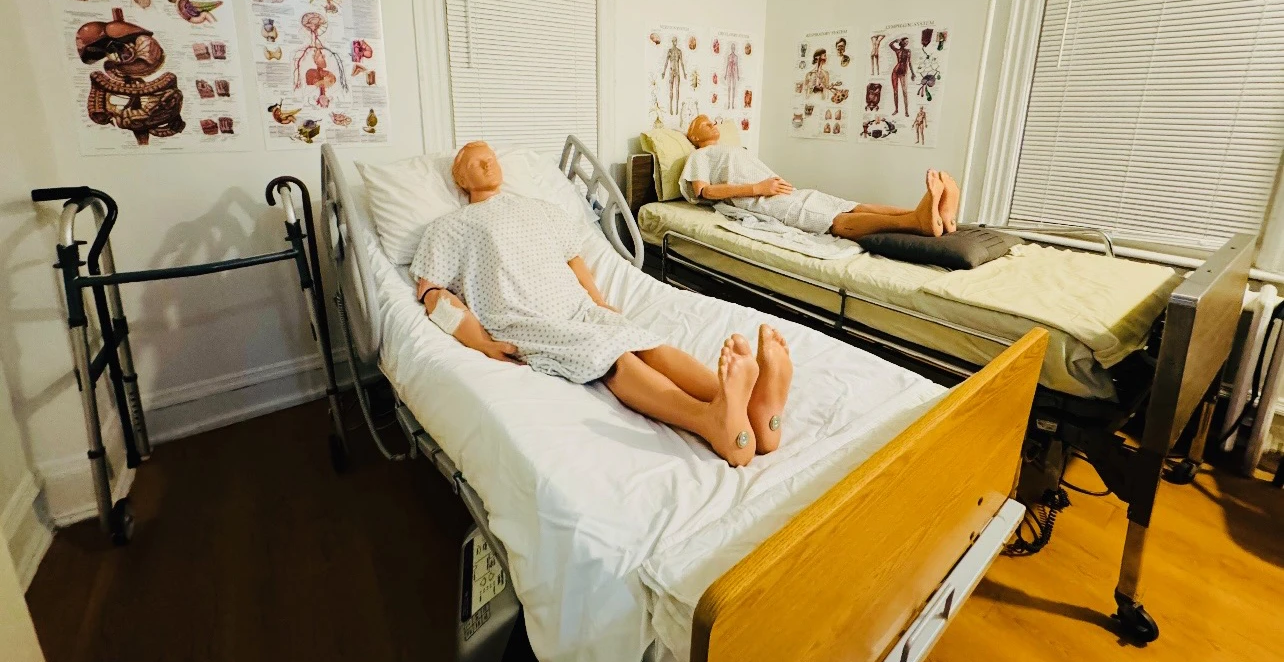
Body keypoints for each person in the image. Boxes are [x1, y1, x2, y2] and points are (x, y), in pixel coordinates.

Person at [410, 141, 793, 466]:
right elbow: (433, 295)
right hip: (525, 318)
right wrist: (481, 342)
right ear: (460, 179)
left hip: (575, 305)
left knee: (647, 344)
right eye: (475, 161)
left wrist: (599, 302)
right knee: (616, 357)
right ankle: (709, 421)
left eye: (491, 155)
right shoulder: (449, 228)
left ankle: (747, 411)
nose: (488, 161)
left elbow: (574, 256)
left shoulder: (536, 207)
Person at [680, 115, 960, 240]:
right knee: (832, 221)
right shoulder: (699, 157)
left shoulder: (732, 149)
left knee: (848, 205)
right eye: (705, 123)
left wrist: (771, 184)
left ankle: (927, 214)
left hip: (785, 192)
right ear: (694, 137)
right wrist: (759, 187)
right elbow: (704, 193)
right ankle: (917, 223)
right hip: (761, 202)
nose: (714, 124)